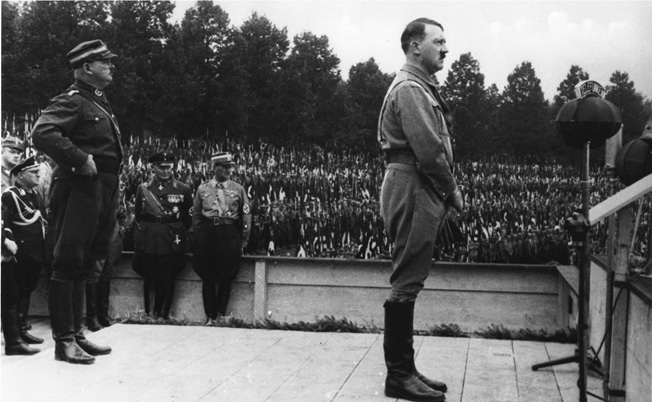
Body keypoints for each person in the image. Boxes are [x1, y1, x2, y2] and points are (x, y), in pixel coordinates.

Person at [377, 18, 463, 402]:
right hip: (414, 181)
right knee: (406, 279)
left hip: (417, 181)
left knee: (410, 276)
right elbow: (429, 150)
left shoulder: (421, 87)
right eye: (438, 41)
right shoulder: (411, 89)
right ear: (415, 46)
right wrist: (453, 192)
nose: (446, 48)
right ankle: (398, 376)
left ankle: (406, 370)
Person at [31, 39, 122, 364]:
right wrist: (79, 158)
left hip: (101, 189)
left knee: (85, 263)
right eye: (105, 62)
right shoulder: (73, 101)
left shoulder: (97, 102)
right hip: (80, 186)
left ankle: (77, 334)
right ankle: (64, 341)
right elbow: (42, 132)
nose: (111, 66)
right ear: (87, 68)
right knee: (69, 261)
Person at [192, 152, 251, 324]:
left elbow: (246, 215)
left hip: (229, 233)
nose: (228, 170)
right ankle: (209, 316)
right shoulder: (203, 189)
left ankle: (220, 314)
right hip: (208, 233)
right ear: (214, 168)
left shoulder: (238, 189)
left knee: (227, 275)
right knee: (207, 275)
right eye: (224, 167)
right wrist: (199, 237)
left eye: (230, 167)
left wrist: (243, 239)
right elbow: (196, 216)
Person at [132, 151, 192, 319]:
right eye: (162, 168)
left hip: (171, 239)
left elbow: (188, 219)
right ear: (153, 168)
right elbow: (138, 215)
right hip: (149, 238)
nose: (166, 171)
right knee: (149, 275)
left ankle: (163, 315)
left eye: (169, 168)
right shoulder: (143, 189)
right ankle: (149, 314)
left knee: (168, 276)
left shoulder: (182, 189)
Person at [1, 156, 48, 346]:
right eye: (33, 172)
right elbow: (5, 222)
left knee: (28, 289)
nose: (38, 175)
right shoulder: (10, 195)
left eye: (38, 172)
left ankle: (22, 327)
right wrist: (9, 243)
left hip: (35, 252)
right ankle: (15, 333)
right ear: (20, 174)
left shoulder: (34, 195)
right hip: (20, 253)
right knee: (18, 291)